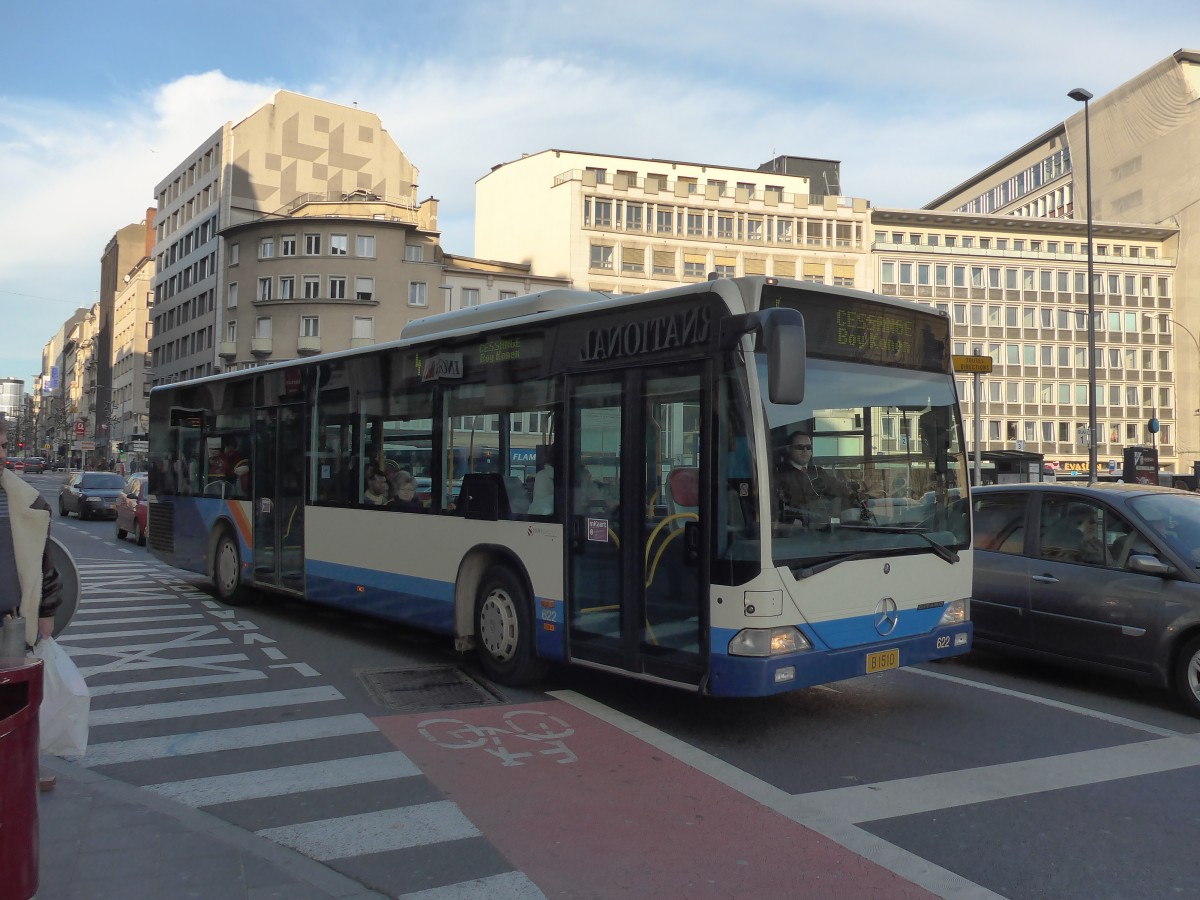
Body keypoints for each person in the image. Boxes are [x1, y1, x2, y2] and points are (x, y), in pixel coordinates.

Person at [0, 416, 64, 792]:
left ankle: (20, 770)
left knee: (14, 710)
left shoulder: (24, 500)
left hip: (11, 625)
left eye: (5, 446)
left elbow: (45, 562)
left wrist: (46, 612)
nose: (1, 455)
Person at [775, 431, 852, 522]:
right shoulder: (781, 474)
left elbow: (842, 492)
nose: (805, 450)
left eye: (808, 447)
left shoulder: (818, 472)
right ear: (788, 449)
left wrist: (836, 513)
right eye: (799, 447)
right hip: (798, 529)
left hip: (825, 526)